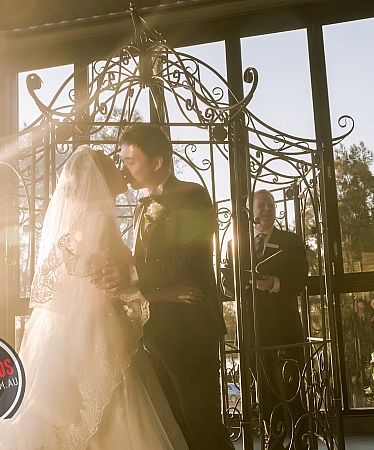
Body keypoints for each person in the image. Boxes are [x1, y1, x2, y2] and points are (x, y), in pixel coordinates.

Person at [0, 146, 195, 450]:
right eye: (114, 166)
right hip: (101, 331)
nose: (122, 170)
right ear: (101, 179)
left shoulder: (80, 221)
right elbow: (110, 285)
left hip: (71, 333)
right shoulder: (100, 221)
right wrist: (168, 294)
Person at [95, 124, 233, 450]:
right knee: (173, 429)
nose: (124, 168)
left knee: (201, 424)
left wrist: (131, 273)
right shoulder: (141, 206)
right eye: (122, 160)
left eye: (130, 161)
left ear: (157, 162)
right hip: (153, 331)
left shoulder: (192, 196)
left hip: (190, 330)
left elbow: (193, 259)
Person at [222, 189, 308, 450]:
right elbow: (228, 283)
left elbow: (300, 279)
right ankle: (273, 438)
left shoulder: (291, 241)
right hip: (252, 326)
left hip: (283, 326)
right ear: (250, 211)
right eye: (261, 205)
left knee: (289, 384)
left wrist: (273, 283)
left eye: (270, 205)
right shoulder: (235, 244)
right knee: (262, 386)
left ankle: (301, 438)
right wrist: (234, 285)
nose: (267, 210)